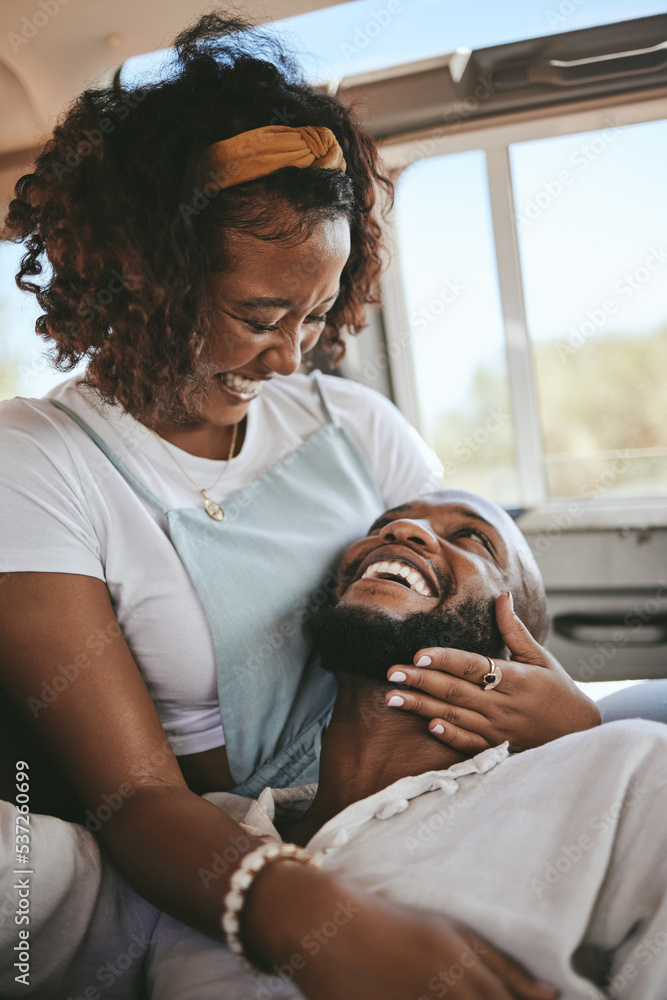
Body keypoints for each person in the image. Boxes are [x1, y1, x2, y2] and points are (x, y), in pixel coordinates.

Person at [0, 9, 599, 996]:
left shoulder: (352, 421)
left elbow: (472, 584)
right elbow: (135, 796)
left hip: (431, 796)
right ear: (143, 279)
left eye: (316, 314)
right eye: (258, 316)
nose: (290, 359)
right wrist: (319, 921)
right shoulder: (40, 461)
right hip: (227, 854)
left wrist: (573, 723)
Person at [138, 489, 666, 1000]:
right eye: (384, 525)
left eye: (473, 538)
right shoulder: (193, 845)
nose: (402, 530)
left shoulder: (629, 771)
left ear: (519, 643)